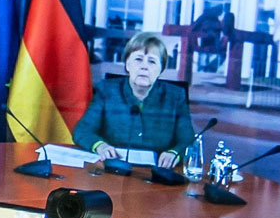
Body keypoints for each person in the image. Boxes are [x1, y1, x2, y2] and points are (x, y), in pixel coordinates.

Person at [73, 31, 195, 163]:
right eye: (138, 59)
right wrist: (100, 146)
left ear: (161, 69)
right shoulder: (106, 90)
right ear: (127, 64)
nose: (144, 67)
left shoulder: (175, 96)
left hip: (158, 172)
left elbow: (188, 140)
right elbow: (82, 131)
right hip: (114, 167)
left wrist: (175, 153)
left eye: (152, 62)